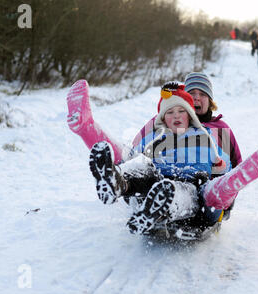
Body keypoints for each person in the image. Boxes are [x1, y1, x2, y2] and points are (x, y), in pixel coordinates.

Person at [89, 82, 228, 235]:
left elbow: (218, 166)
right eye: (169, 112)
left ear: (189, 115)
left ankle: (156, 210)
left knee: (177, 192)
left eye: (181, 111)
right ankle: (118, 183)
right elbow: (137, 155)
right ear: (163, 118)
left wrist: (219, 184)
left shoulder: (202, 135)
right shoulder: (158, 137)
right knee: (144, 170)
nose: (175, 115)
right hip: (158, 180)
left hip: (189, 185)